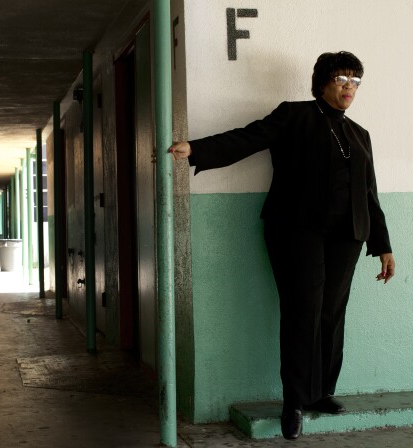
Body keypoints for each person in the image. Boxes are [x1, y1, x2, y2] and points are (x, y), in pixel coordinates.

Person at [169, 51, 395, 440]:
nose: (348, 89)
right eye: (342, 80)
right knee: (302, 312)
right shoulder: (294, 115)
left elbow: (369, 194)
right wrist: (197, 149)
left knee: (331, 313)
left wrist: (383, 245)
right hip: (297, 231)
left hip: (347, 237)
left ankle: (321, 392)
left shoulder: (360, 135)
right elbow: (248, 137)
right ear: (322, 82)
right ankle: (293, 401)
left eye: (355, 82)